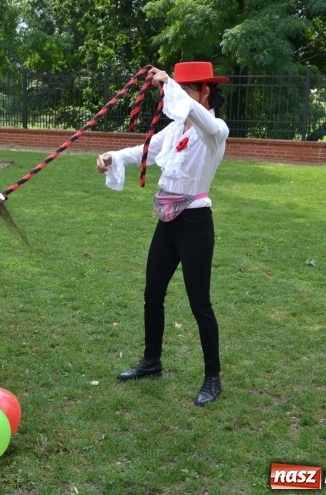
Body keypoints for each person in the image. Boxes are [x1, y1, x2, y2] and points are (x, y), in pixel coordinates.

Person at [96, 61, 229, 407]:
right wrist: (112, 156)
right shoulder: (174, 130)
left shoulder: (215, 130)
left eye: (186, 89)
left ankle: (212, 377)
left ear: (205, 91)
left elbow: (196, 115)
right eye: (177, 90)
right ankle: (151, 361)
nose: (176, 96)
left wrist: (171, 85)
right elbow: (145, 150)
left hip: (196, 223)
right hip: (167, 221)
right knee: (152, 293)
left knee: (200, 303)